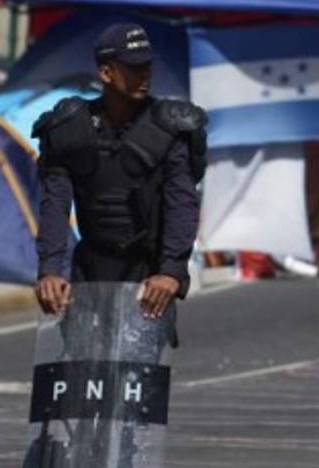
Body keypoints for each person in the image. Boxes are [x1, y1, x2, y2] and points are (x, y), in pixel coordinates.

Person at [32, 23, 206, 319]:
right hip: (88, 273)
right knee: (80, 363)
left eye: (147, 66)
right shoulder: (69, 128)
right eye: (134, 67)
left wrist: (171, 272)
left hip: (149, 280)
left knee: (139, 365)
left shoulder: (170, 128)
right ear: (106, 73)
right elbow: (55, 202)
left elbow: (182, 204)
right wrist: (49, 270)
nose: (145, 75)